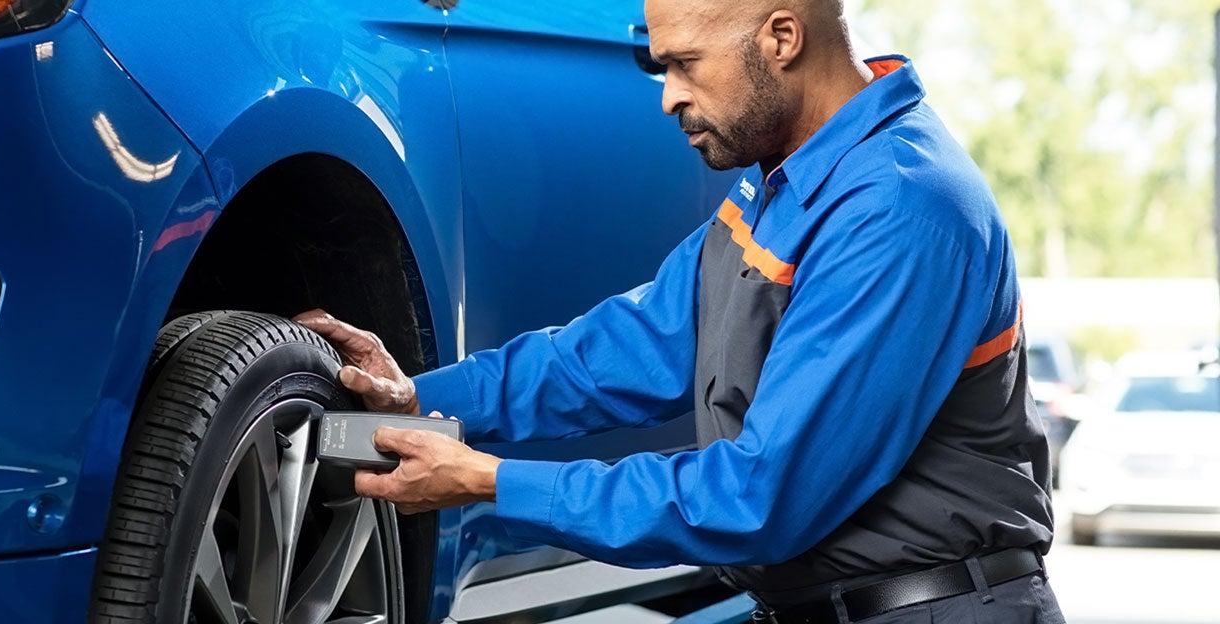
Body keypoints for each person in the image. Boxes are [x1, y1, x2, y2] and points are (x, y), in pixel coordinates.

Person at [298, 0, 1062, 621]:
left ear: (782, 37)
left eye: (683, 65)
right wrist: (422, 397)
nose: (667, 96)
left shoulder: (898, 207)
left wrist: (491, 481)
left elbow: (758, 497)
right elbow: (625, 351)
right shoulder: (783, 184)